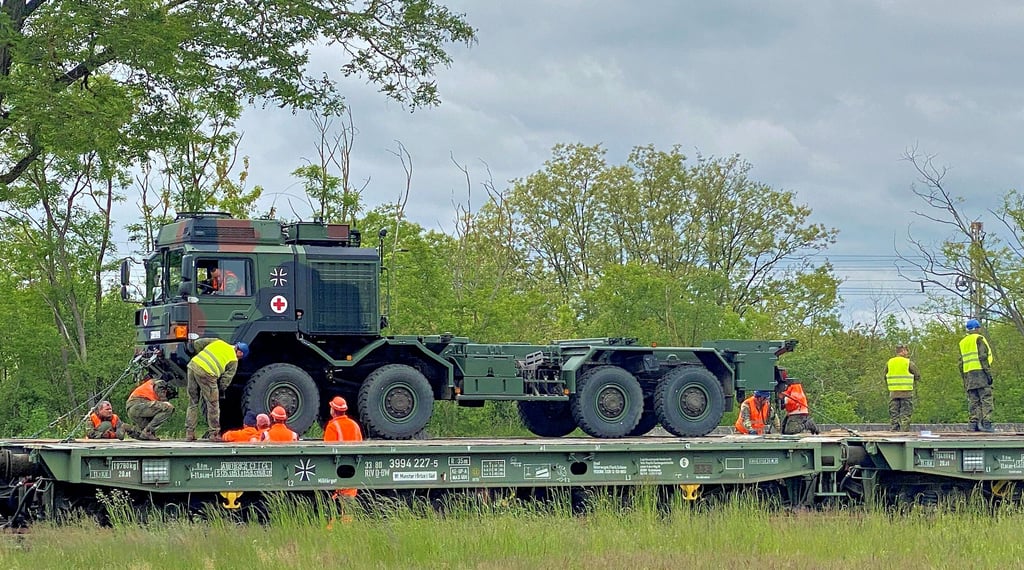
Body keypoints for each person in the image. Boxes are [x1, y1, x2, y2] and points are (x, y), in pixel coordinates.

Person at [185, 338, 249, 442]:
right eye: (241, 357)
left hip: (193, 366)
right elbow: (225, 380)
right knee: (213, 405)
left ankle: (189, 433)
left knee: (193, 402)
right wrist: (220, 391)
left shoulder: (219, 342)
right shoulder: (233, 360)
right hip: (208, 374)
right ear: (240, 352)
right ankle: (214, 434)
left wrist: (200, 357)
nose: (239, 358)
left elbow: (197, 343)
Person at [323, 396, 363, 499]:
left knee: (340, 505)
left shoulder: (332, 427)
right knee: (348, 502)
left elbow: (327, 451)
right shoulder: (354, 425)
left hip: (338, 471)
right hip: (353, 469)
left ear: (333, 410)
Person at [959, 319, 994, 432]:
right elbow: (983, 357)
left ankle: (973, 424)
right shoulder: (979, 339)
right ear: (977, 328)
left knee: (973, 400)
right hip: (980, 372)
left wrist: (964, 378)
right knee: (986, 398)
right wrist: (988, 374)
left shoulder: (963, 342)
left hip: (968, 374)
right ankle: (987, 423)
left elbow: (960, 362)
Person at [884, 344, 920, 432]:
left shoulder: (890, 362)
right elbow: (917, 375)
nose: (907, 352)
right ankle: (904, 432)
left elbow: (884, 375)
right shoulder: (908, 362)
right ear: (903, 351)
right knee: (906, 414)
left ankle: (894, 430)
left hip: (893, 393)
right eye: (906, 350)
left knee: (894, 414)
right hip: (906, 392)